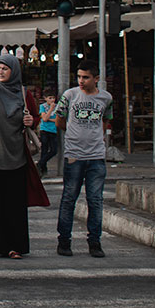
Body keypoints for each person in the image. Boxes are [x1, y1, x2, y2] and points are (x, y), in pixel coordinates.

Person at [0, 53, 50, 260]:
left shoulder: (23, 94)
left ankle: (14, 246)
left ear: (14, 71)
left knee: (13, 205)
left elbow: (35, 118)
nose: (1, 72)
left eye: (5, 69)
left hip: (16, 156)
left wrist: (31, 121)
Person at [55, 59, 113, 258]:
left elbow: (106, 121)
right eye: (79, 76)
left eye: (86, 77)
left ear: (96, 79)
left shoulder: (106, 98)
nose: (81, 80)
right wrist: (73, 133)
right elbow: (59, 120)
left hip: (97, 156)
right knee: (69, 198)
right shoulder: (70, 95)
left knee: (95, 200)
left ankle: (94, 242)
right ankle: (64, 240)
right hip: (74, 155)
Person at [37, 91, 59, 176]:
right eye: (50, 98)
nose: (52, 100)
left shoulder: (57, 107)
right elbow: (44, 118)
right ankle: (43, 168)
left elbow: (57, 120)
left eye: (53, 98)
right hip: (44, 130)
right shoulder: (42, 106)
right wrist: (50, 109)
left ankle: (40, 163)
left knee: (54, 150)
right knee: (44, 150)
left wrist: (48, 118)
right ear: (45, 98)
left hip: (53, 130)